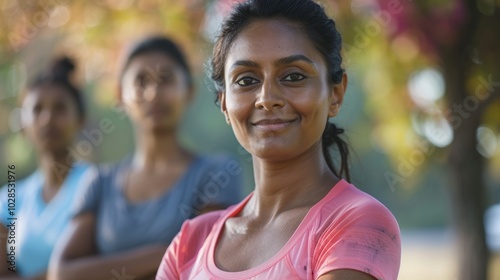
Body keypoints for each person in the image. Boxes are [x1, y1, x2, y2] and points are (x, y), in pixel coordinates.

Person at [156, 0, 402, 279]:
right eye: (246, 80)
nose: (267, 99)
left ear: (336, 94)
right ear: (224, 103)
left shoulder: (357, 222)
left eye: (294, 76)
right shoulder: (191, 243)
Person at [49, 36, 243, 280]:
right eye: (141, 81)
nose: (153, 93)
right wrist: (169, 251)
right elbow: (63, 273)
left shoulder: (216, 172)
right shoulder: (99, 182)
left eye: (166, 80)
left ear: (189, 91)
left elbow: (202, 262)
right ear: (121, 95)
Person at [0, 57, 94, 279]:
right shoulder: (10, 199)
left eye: (60, 108)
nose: (48, 118)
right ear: (23, 124)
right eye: (37, 109)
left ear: (80, 119)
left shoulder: (96, 183)